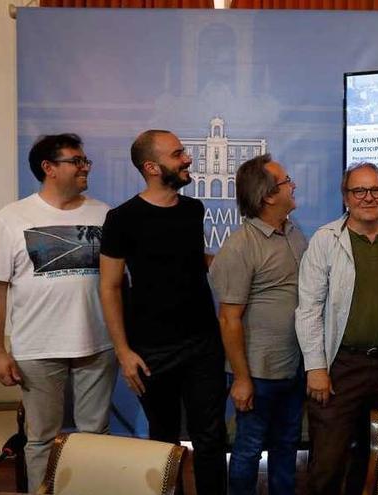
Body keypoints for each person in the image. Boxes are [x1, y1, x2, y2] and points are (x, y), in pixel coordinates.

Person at [0, 133, 117, 492]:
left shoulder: (105, 214)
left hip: (98, 345)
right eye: (77, 161)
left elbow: (120, 283)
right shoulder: (11, 217)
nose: (85, 167)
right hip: (38, 349)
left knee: (95, 435)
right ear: (49, 168)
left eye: (86, 161)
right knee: (40, 438)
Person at [99, 129, 227, 494]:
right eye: (178, 154)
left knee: (211, 439)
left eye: (184, 152)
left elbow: (189, 261)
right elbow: (109, 286)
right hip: (152, 350)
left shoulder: (193, 209)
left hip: (203, 343)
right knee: (163, 441)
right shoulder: (122, 218)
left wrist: (237, 264)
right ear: (152, 167)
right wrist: (124, 352)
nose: (188, 159)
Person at [295, 162, 378, 495]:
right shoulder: (325, 240)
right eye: (359, 190)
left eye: (376, 190)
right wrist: (316, 369)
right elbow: (308, 310)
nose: (369, 197)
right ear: (346, 197)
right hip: (340, 369)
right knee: (328, 463)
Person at [209, 154, 307, 494]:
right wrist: (241, 379)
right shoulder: (240, 246)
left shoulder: (295, 233)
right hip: (258, 374)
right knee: (248, 449)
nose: (293, 185)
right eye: (286, 181)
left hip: (294, 367)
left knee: (287, 445)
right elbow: (229, 318)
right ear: (267, 196)